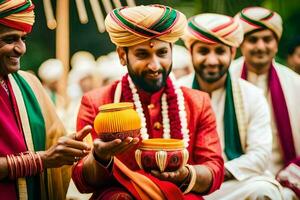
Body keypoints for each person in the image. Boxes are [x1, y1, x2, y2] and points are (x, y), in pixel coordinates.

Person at [72, 4, 224, 200]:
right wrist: (100, 158)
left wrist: (184, 174)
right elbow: (81, 180)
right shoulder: (96, 102)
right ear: (122, 56)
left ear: (171, 52)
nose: (154, 65)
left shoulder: (197, 102)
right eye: (142, 54)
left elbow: (214, 169)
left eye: (162, 53)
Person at [179, 13, 283, 200]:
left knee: (264, 190)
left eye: (220, 51)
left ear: (233, 53)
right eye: (203, 51)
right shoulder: (177, 92)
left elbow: (260, 155)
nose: (212, 61)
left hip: (233, 184)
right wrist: (190, 176)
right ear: (191, 53)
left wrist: (212, 175)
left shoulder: (251, 95)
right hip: (187, 183)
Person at [0, 1, 92, 199]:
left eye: (23, 38)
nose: (21, 48)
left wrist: (72, 147)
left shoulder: (30, 84)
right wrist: (43, 160)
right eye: (9, 40)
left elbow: (55, 141)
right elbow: (48, 156)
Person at [231, 6, 300, 199]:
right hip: (239, 181)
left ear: (276, 44)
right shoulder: (226, 81)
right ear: (241, 45)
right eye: (252, 40)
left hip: (288, 181)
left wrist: (289, 184)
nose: (260, 46)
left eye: (267, 39)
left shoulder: (296, 84)